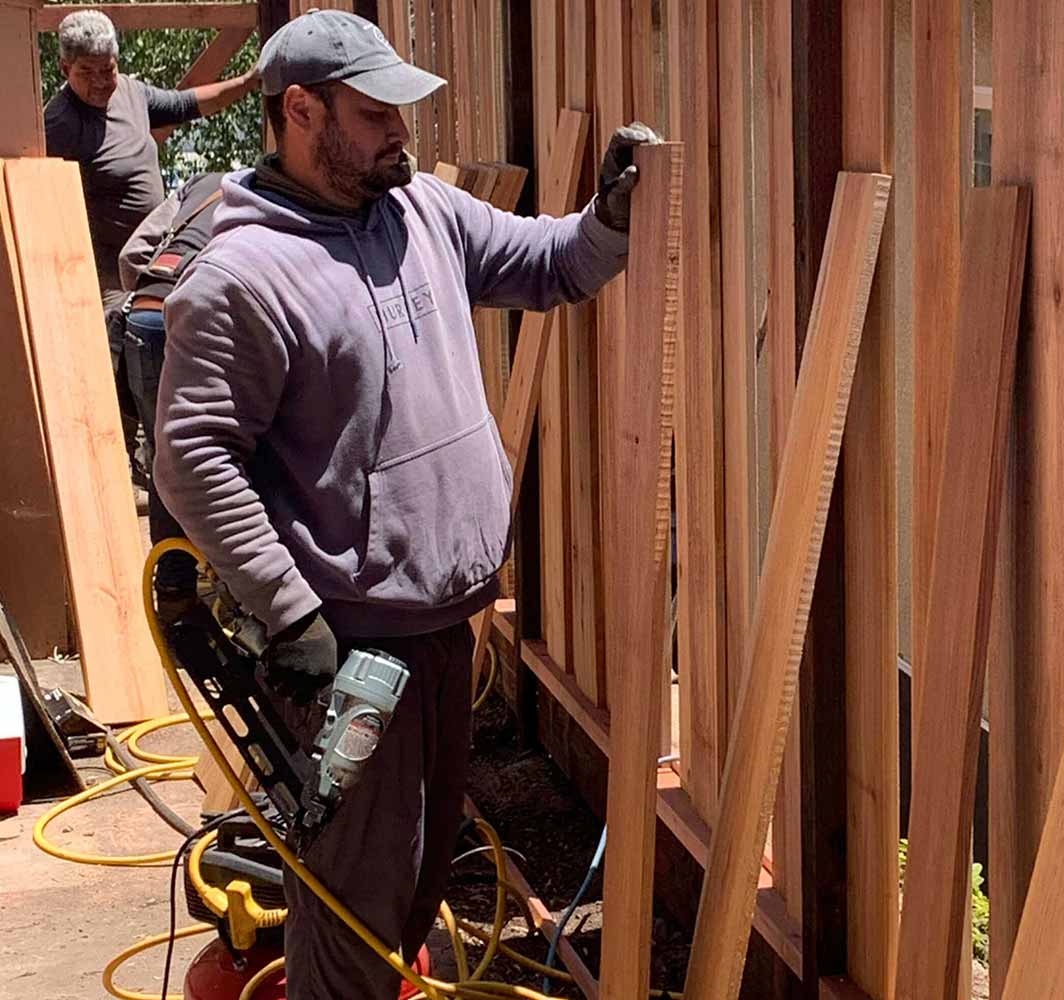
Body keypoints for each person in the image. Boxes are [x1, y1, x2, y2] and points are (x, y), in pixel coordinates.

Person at [153, 10, 657, 997]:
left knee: (417, 886)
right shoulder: (242, 279)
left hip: (438, 634)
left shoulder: (417, 210)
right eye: (375, 111)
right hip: (347, 655)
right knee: (353, 907)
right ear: (300, 111)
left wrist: (610, 219)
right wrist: (289, 610)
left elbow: (547, 265)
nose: (401, 132)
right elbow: (192, 459)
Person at [44, 10, 259, 480]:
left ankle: (162, 458)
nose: (103, 82)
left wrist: (250, 80)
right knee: (122, 360)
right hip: (104, 273)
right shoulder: (58, 125)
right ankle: (125, 473)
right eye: (89, 73)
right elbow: (43, 205)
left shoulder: (131, 92)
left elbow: (187, 104)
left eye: (109, 68)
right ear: (65, 70)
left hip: (158, 260)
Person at [118, 170, 226, 606]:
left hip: (144, 318)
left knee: (167, 459)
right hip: (195, 321)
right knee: (218, 454)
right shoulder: (269, 198)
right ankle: (228, 589)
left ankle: (174, 592)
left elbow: (132, 256)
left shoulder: (199, 185)